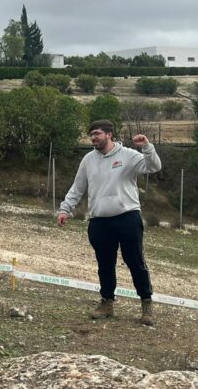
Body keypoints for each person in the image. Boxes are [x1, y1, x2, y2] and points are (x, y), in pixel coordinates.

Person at [56, 119, 162, 325]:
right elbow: (78, 187)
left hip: (127, 217)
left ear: (109, 134)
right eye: (91, 135)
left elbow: (154, 166)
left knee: (135, 261)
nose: (93, 138)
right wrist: (65, 209)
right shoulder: (88, 160)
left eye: (97, 134)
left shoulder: (128, 155)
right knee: (105, 263)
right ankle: (107, 303)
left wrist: (147, 147)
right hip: (99, 221)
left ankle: (146, 304)